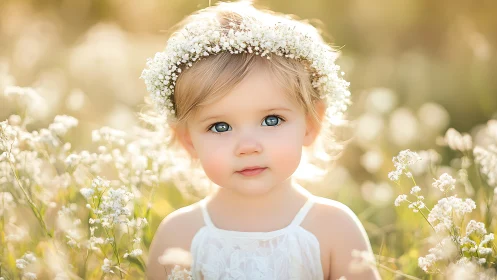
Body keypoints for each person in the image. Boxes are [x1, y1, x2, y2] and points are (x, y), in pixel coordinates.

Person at [143, 1, 381, 279]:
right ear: (188, 141)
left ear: (310, 123)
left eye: (271, 120)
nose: (247, 146)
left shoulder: (334, 229)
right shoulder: (179, 234)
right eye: (220, 126)